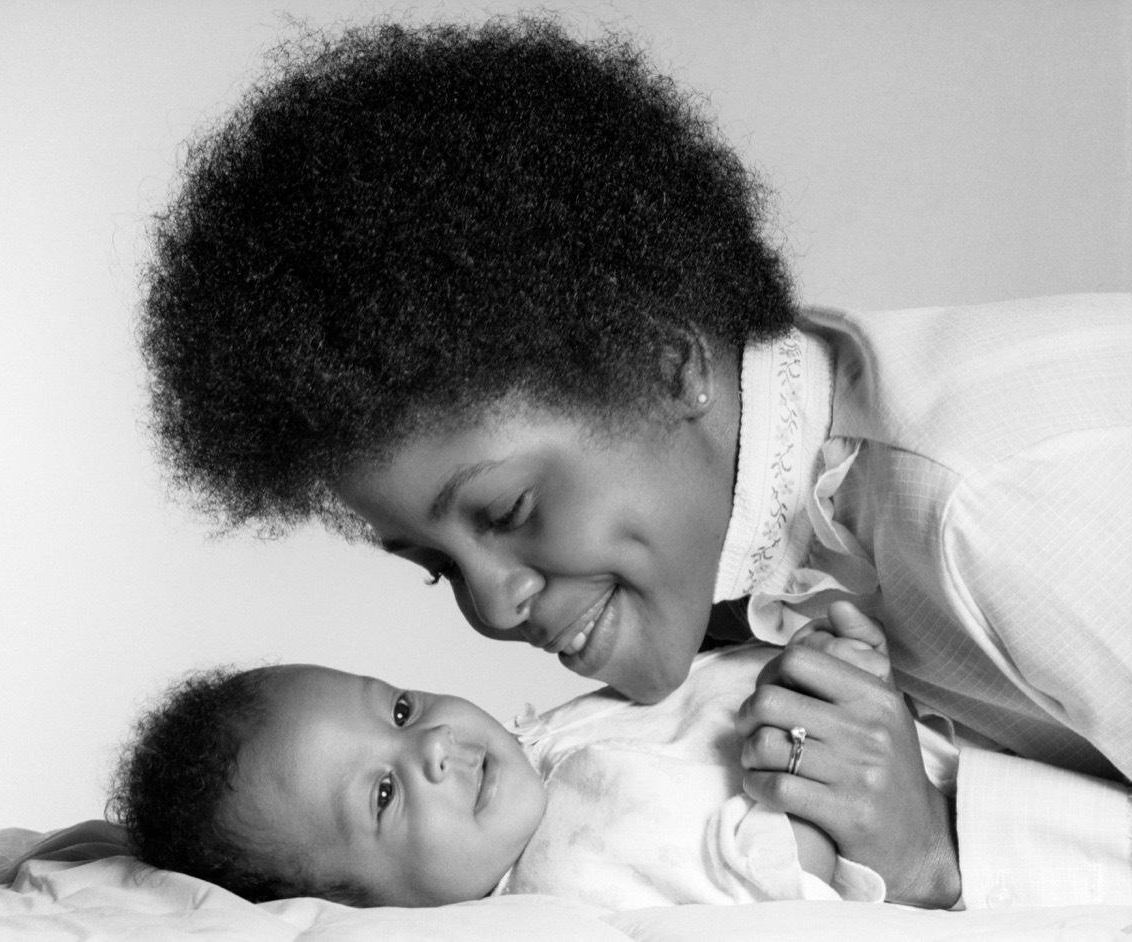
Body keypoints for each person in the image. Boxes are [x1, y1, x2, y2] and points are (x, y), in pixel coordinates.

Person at [137, 17, 1132, 908]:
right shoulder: (749, 564)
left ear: (666, 364)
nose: (489, 610)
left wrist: (936, 862)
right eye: (434, 565)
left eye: (509, 508)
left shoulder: (984, 504)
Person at [110, 605, 942, 908]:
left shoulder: (548, 746)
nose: (431, 745)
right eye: (384, 797)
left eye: (399, 710)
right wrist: (825, 735)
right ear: (370, 913)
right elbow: (796, 894)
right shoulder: (568, 887)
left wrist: (812, 657)